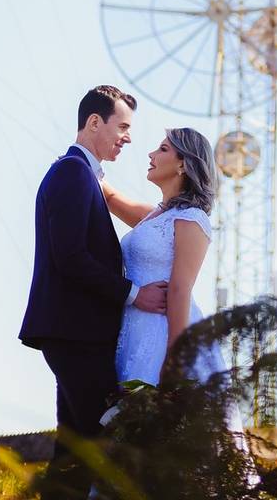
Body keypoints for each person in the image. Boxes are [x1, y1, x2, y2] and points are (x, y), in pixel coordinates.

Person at [18, 85, 168, 498]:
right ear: (94, 122)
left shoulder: (84, 176)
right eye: (122, 126)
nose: (129, 137)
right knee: (109, 439)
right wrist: (136, 294)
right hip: (73, 333)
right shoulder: (70, 173)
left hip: (76, 333)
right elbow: (70, 256)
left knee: (75, 452)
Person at [102, 127, 245, 435]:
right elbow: (111, 197)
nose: (152, 155)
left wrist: (174, 365)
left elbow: (180, 290)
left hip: (165, 336)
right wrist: (84, 156)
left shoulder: (191, 218)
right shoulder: (154, 216)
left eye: (163, 149)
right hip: (134, 332)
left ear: (183, 163)